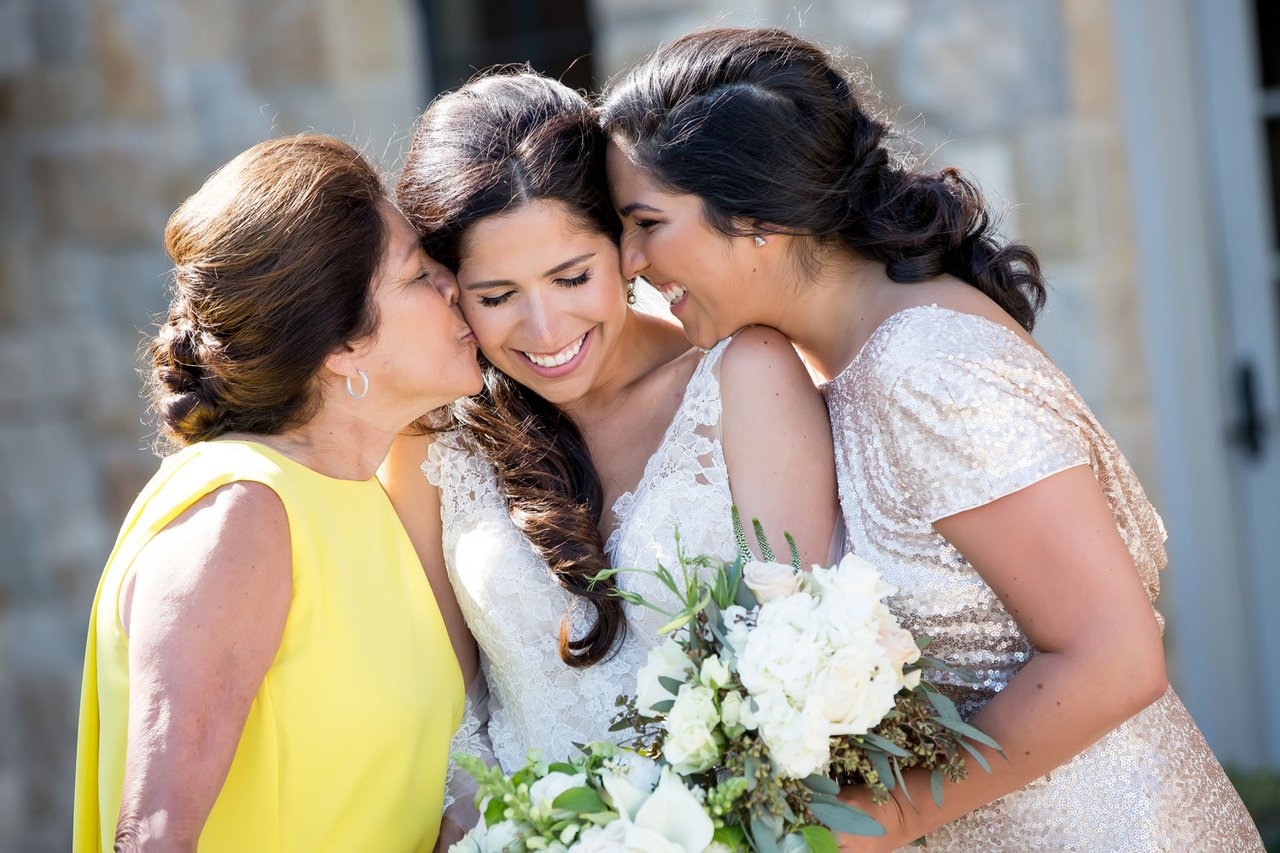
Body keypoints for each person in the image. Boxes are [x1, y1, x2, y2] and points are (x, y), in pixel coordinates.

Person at [601, 26, 1263, 852]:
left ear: (754, 213)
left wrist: (883, 820)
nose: (628, 261)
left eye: (645, 222)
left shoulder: (923, 368)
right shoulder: (842, 365)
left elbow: (1116, 656)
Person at [383, 70, 840, 841]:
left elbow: (806, 678)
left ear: (625, 247)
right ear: (448, 289)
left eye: (572, 277)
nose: (545, 327)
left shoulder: (744, 380)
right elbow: (447, 713)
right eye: (495, 296)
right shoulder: (435, 439)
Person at [72, 134, 483, 852]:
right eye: (419, 275)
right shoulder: (241, 512)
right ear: (341, 346)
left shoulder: (367, 500)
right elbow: (152, 837)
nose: (453, 284)